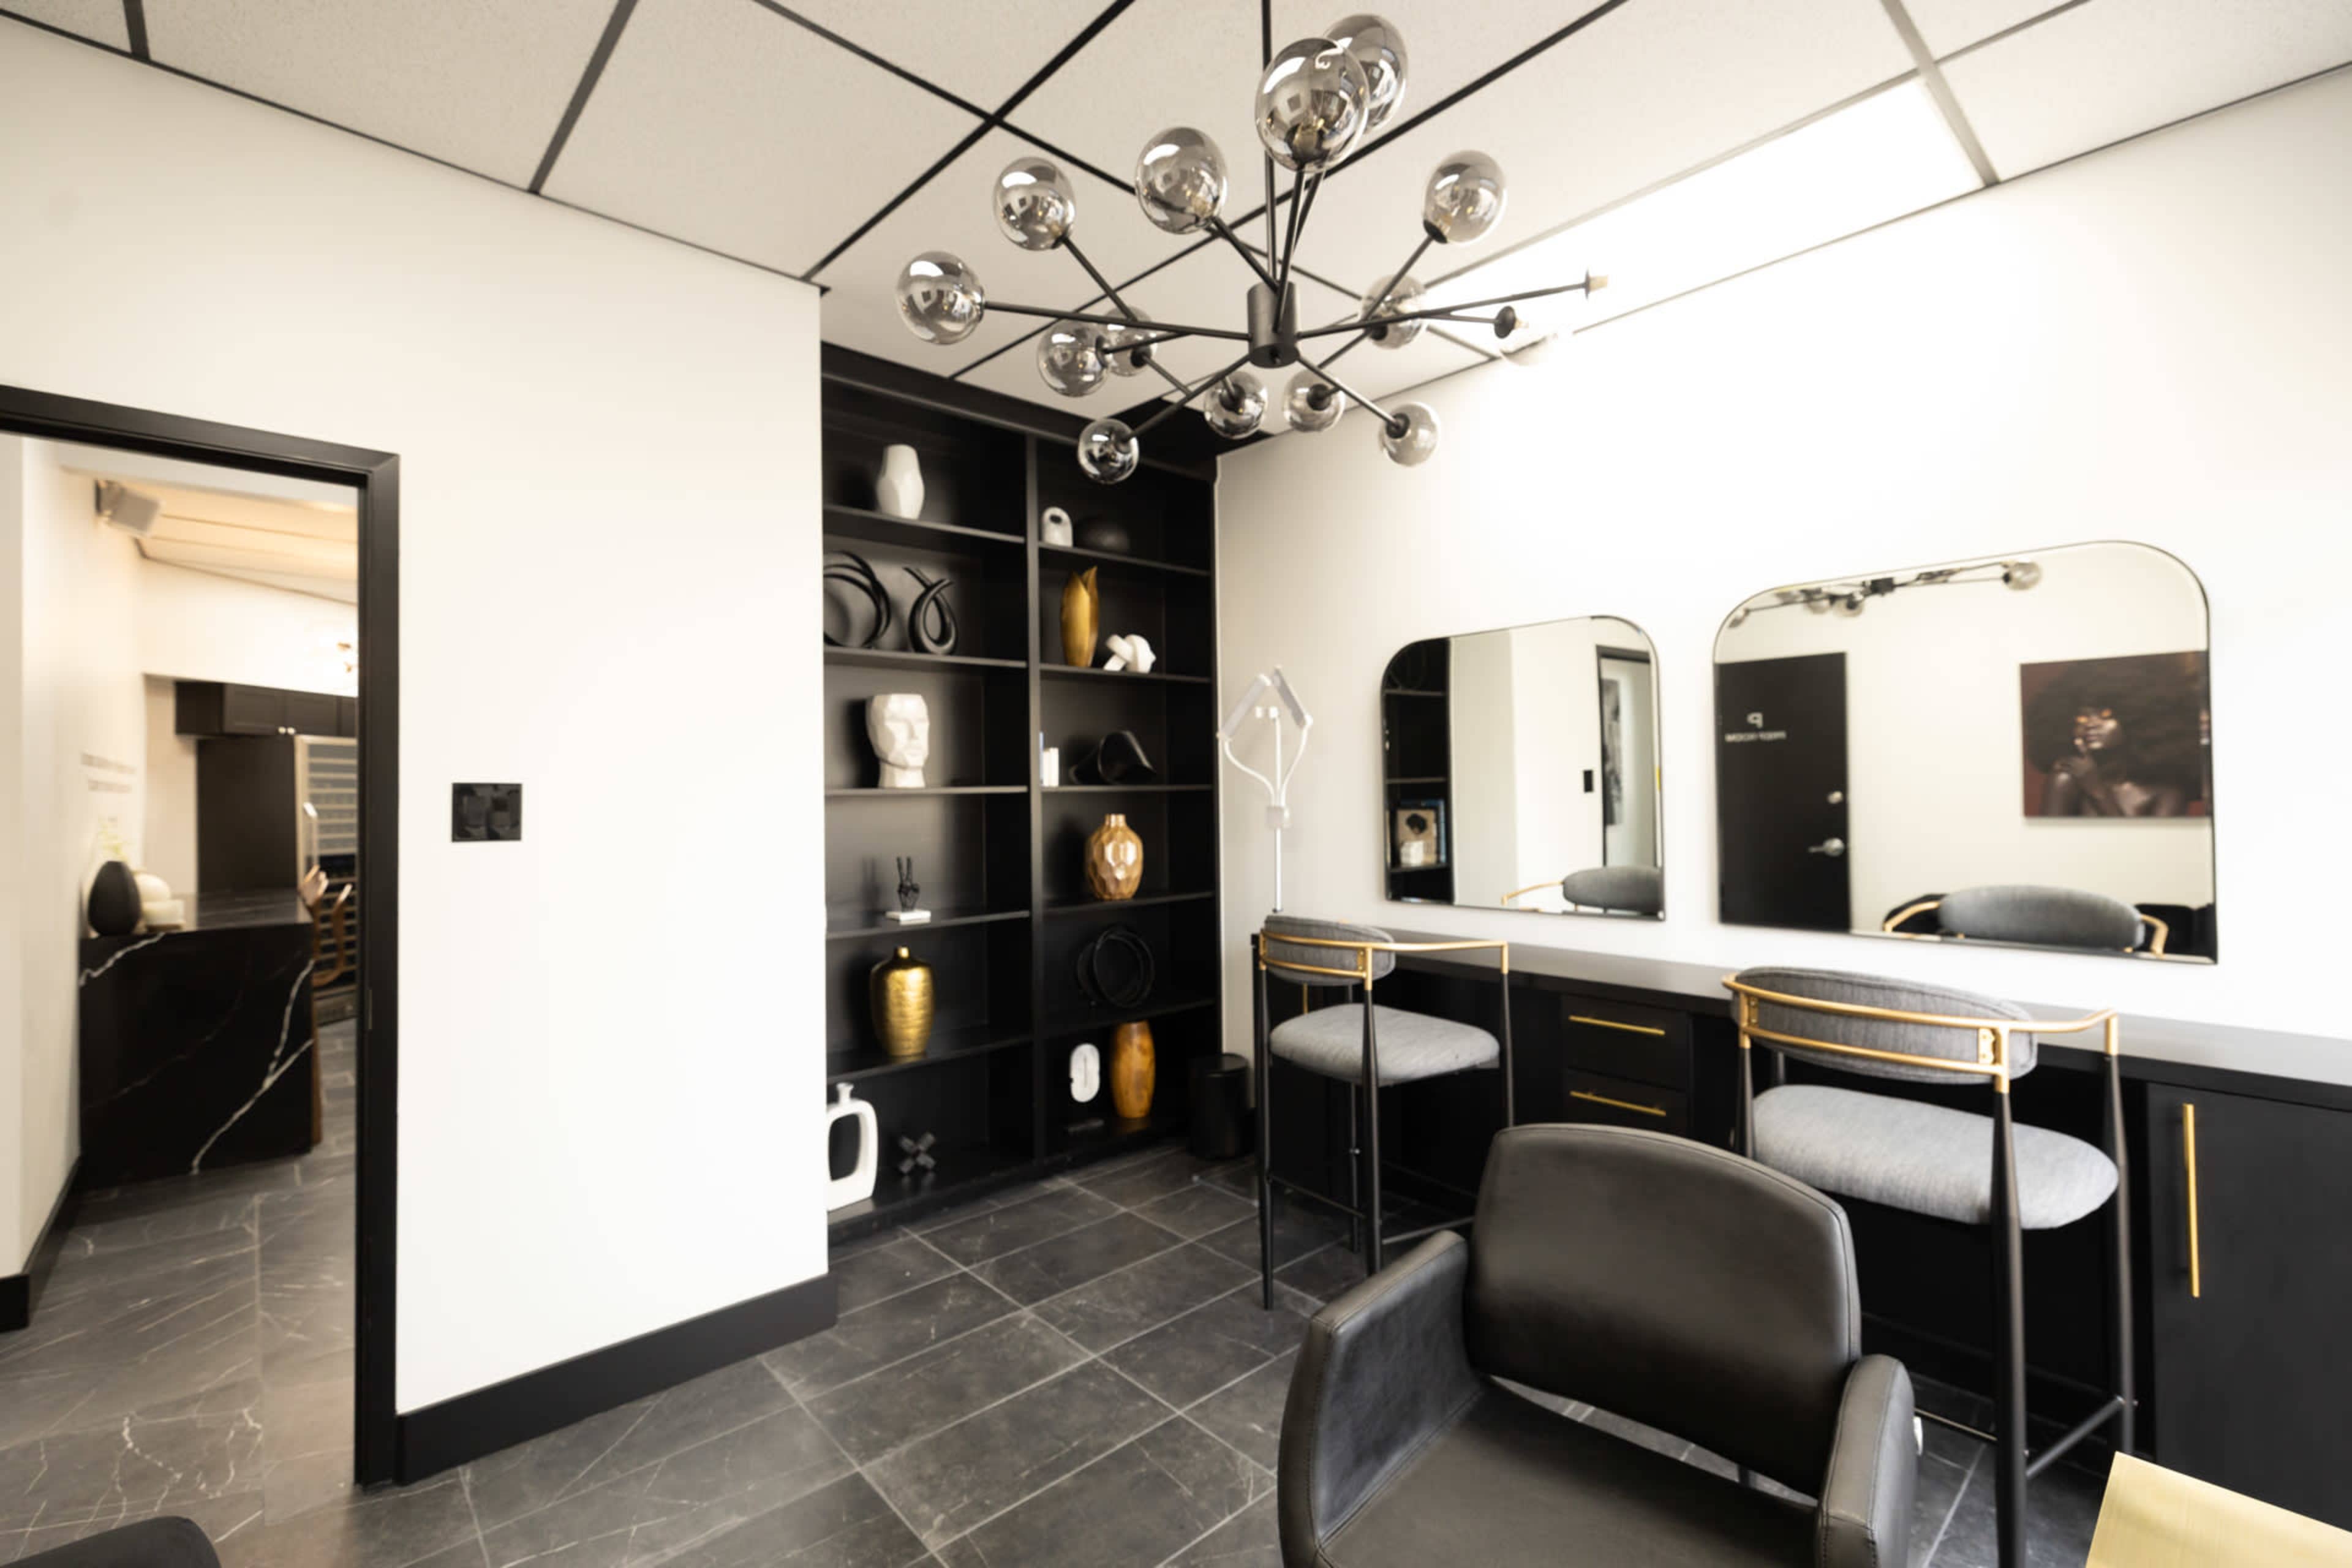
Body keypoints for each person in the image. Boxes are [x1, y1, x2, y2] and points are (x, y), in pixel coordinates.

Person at [2027, 657, 2205, 817]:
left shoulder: (2167, 793)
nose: (2091, 723)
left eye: (2106, 715)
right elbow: (2052, 846)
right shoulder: (2066, 782)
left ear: (2139, 720)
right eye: (2083, 716)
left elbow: (2151, 849)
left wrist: (2097, 790)